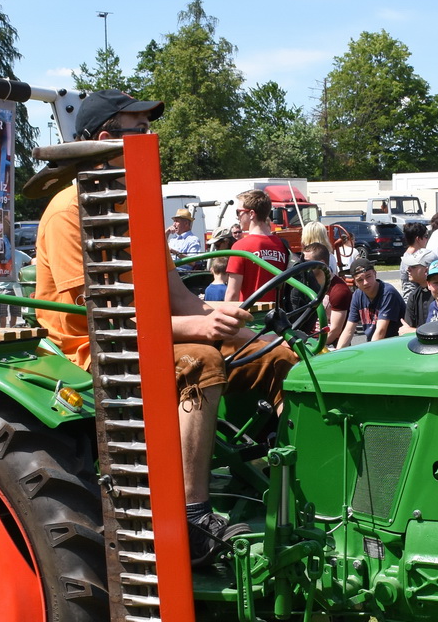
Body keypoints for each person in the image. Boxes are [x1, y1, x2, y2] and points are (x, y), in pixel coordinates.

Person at [33, 90, 293, 565]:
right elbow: (100, 317)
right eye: (140, 130)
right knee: (200, 361)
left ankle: (291, 490)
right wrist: (199, 329)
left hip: (147, 333)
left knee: (277, 355)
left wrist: (227, 323)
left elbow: (180, 296)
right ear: (108, 138)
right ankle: (192, 516)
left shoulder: (138, 205)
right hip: (93, 348)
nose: (151, 139)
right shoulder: (70, 210)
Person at [223, 190, 293, 302]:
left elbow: (232, 294)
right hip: (277, 311)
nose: (237, 217)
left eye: (238, 212)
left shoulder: (240, 247)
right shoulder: (283, 245)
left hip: (249, 311)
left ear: (251, 214)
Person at [335, 255, 405, 346]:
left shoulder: (387, 293)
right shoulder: (357, 295)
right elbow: (348, 331)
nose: (365, 282)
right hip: (375, 344)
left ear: (375, 274)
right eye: (360, 280)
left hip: (395, 344)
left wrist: (369, 352)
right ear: (355, 282)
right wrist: (338, 351)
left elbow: (381, 331)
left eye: (368, 276)